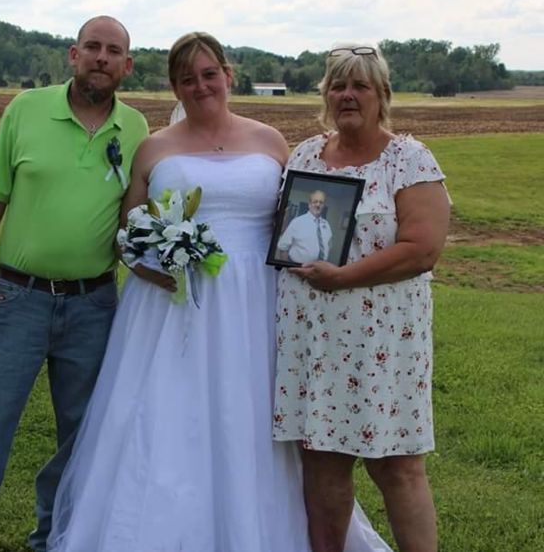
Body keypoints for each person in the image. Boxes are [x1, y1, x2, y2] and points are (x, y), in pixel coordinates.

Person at [47, 31, 392, 552]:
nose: (201, 86)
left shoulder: (270, 141)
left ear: (228, 76)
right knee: (166, 414)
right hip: (169, 305)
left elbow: (298, 218)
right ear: (175, 87)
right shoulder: (154, 148)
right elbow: (128, 230)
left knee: (250, 413)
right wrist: (147, 263)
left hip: (256, 301)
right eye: (187, 79)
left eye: (210, 74)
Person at [0, 16, 148, 552]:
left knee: (80, 437)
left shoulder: (137, 130)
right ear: (73, 54)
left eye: (112, 50)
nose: (101, 57)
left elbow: (136, 221)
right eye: (92, 47)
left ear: (127, 65)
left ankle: (56, 539)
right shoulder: (26, 109)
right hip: (18, 300)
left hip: (94, 306)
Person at [272, 43, 450, 552]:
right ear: (325, 94)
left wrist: (344, 277)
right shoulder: (305, 155)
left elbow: (422, 249)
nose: (347, 95)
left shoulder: (408, 159)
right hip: (315, 341)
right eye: (338, 85)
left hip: (383, 344)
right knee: (322, 461)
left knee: (396, 466)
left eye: (360, 86)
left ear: (382, 95)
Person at [277, 189, 333, 263]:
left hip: (320, 269)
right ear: (309, 204)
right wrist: (289, 267)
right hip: (298, 268)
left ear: (324, 205)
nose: (318, 205)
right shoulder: (297, 222)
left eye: (321, 202)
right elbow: (283, 247)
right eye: (315, 202)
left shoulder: (326, 224)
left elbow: (328, 246)